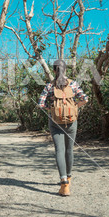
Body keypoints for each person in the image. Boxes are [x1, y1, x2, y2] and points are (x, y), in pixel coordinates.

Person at [38, 59, 88, 196]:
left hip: (55, 122)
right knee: (69, 150)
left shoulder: (49, 86)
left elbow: (41, 104)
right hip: (72, 121)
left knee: (59, 150)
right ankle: (69, 177)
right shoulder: (73, 84)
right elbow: (85, 98)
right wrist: (74, 107)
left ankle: (64, 184)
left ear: (54, 70)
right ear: (65, 70)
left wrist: (52, 109)